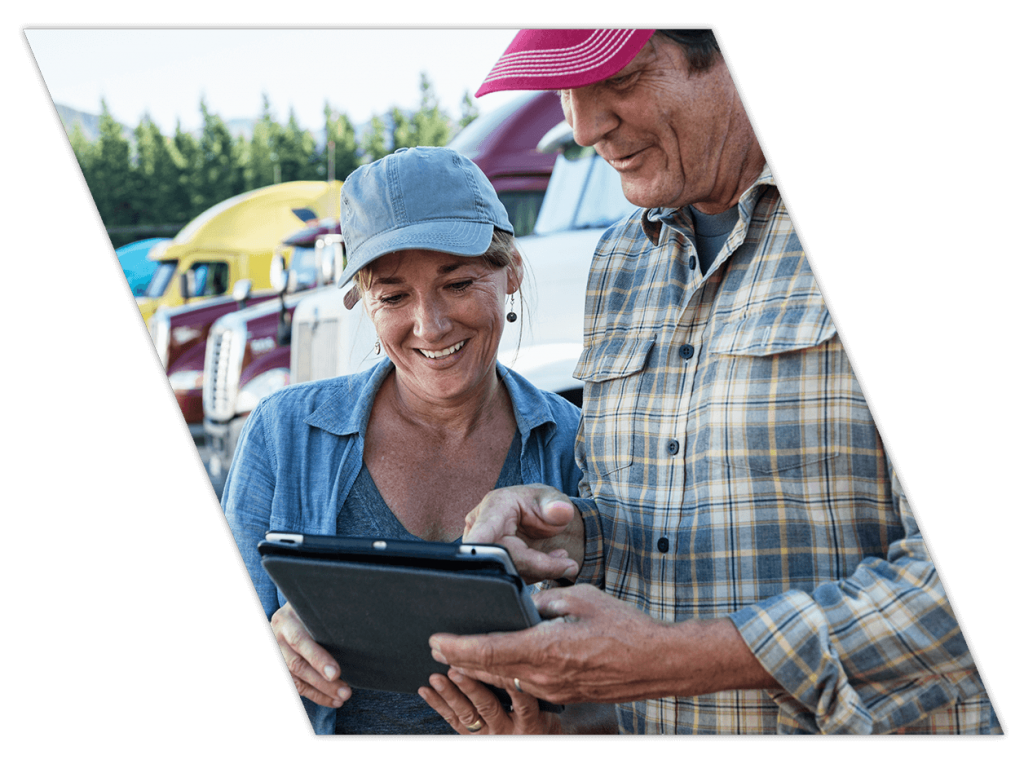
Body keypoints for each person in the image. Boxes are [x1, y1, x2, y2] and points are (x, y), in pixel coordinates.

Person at [422, 29, 1003, 734]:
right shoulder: (619, 261)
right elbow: (670, 521)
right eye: (565, 89)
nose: (580, 125)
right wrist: (568, 535)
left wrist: (672, 660)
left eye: (621, 78)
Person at [220, 146, 585, 735]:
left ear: (511, 270)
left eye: (459, 282)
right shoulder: (282, 434)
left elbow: (620, 684)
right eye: (392, 297)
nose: (430, 325)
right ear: (365, 302)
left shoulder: (574, 445)